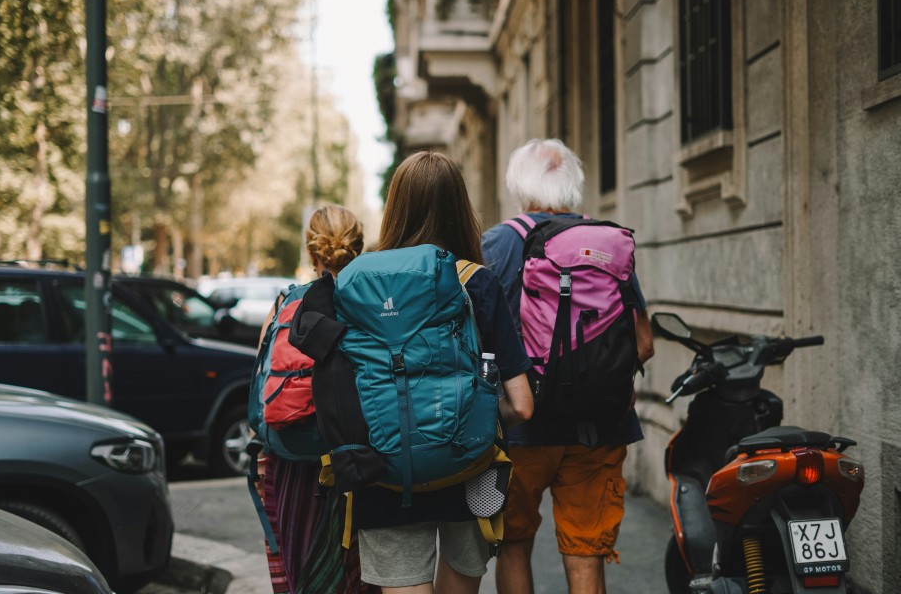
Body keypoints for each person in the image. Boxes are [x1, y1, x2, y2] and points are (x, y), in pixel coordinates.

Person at [354, 150, 534, 594]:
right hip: (471, 472)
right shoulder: (477, 281)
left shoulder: (358, 283)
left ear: (396, 207)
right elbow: (523, 406)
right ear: (460, 207)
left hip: (382, 471)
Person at [482, 139, 655, 594]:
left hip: (522, 428)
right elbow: (644, 342)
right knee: (585, 553)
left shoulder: (500, 242)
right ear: (573, 185)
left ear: (519, 186)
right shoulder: (607, 243)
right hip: (600, 430)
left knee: (514, 543)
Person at [254, 204, 378, 594]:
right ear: (358, 247)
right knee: (361, 572)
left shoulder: (283, 304)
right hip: (359, 458)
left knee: (302, 571)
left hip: (292, 460)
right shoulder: (373, 304)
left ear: (311, 253)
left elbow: (259, 384)